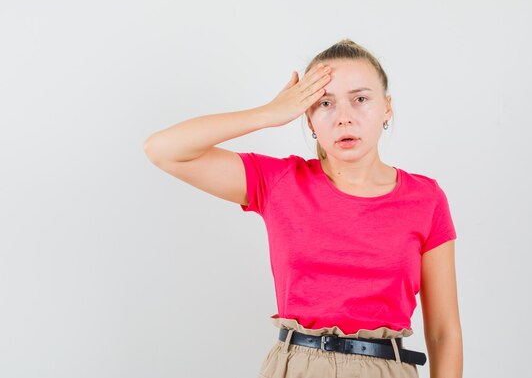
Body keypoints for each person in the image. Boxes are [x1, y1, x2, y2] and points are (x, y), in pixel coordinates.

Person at [143, 39, 463, 378]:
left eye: (361, 99)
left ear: (386, 108)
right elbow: (163, 149)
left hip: (387, 369)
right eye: (325, 103)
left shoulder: (425, 199)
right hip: (297, 367)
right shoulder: (281, 182)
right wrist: (268, 114)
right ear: (308, 119)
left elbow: (444, 332)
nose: (344, 118)